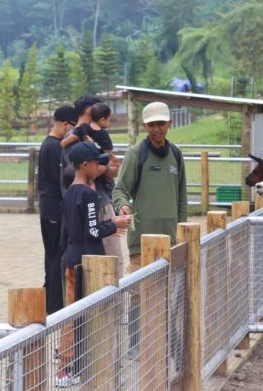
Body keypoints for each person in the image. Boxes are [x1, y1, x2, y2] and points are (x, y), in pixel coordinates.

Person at [112, 102, 187, 359]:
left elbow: (182, 198)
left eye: (161, 124)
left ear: (170, 124)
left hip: (170, 239)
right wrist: (122, 206)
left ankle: (166, 342)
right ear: (145, 126)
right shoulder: (136, 154)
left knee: (170, 293)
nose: (157, 129)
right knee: (137, 293)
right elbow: (120, 188)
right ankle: (135, 344)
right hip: (140, 240)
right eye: (152, 124)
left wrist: (182, 231)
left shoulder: (176, 155)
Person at [56, 141, 131, 387]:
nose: (102, 166)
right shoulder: (88, 194)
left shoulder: (69, 193)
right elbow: (92, 230)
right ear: (84, 165)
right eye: (97, 162)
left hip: (71, 258)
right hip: (86, 262)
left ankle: (70, 367)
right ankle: (70, 368)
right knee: (80, 316)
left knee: (73, 313)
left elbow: (70, 232)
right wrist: (116, 224)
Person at [37, 105, 78, 315]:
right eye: (72, 126)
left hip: (49, 209)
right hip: (53, 210)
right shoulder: (53, 147)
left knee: (53, 256)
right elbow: (61, 178)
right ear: (64, 125)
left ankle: (49, 301)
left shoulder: (51, 144)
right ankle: (53, 306)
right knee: (55, 258)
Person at [60, 95, 102, 191]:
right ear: (90, 110)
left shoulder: (94, 134)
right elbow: (74, 170)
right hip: (81, 198)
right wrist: (106, 169)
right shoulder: (72, 137)